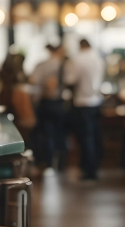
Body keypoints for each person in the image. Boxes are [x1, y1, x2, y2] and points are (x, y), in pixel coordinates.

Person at [64, 39, 105, 181]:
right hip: (96, 101)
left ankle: (89, 170)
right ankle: (94, 166)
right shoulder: (98, 58)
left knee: (85, 137)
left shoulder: (78, 59)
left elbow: (70, 80)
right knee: (94, 135)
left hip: (82, 102)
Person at [29, 44, 67, 174]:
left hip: (47, 102)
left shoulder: (43, 65)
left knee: (47, 134)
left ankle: (48, 163)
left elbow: (33, 80)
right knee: (60, 134)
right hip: (60, 102)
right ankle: (61, 165)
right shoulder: (65, 64)